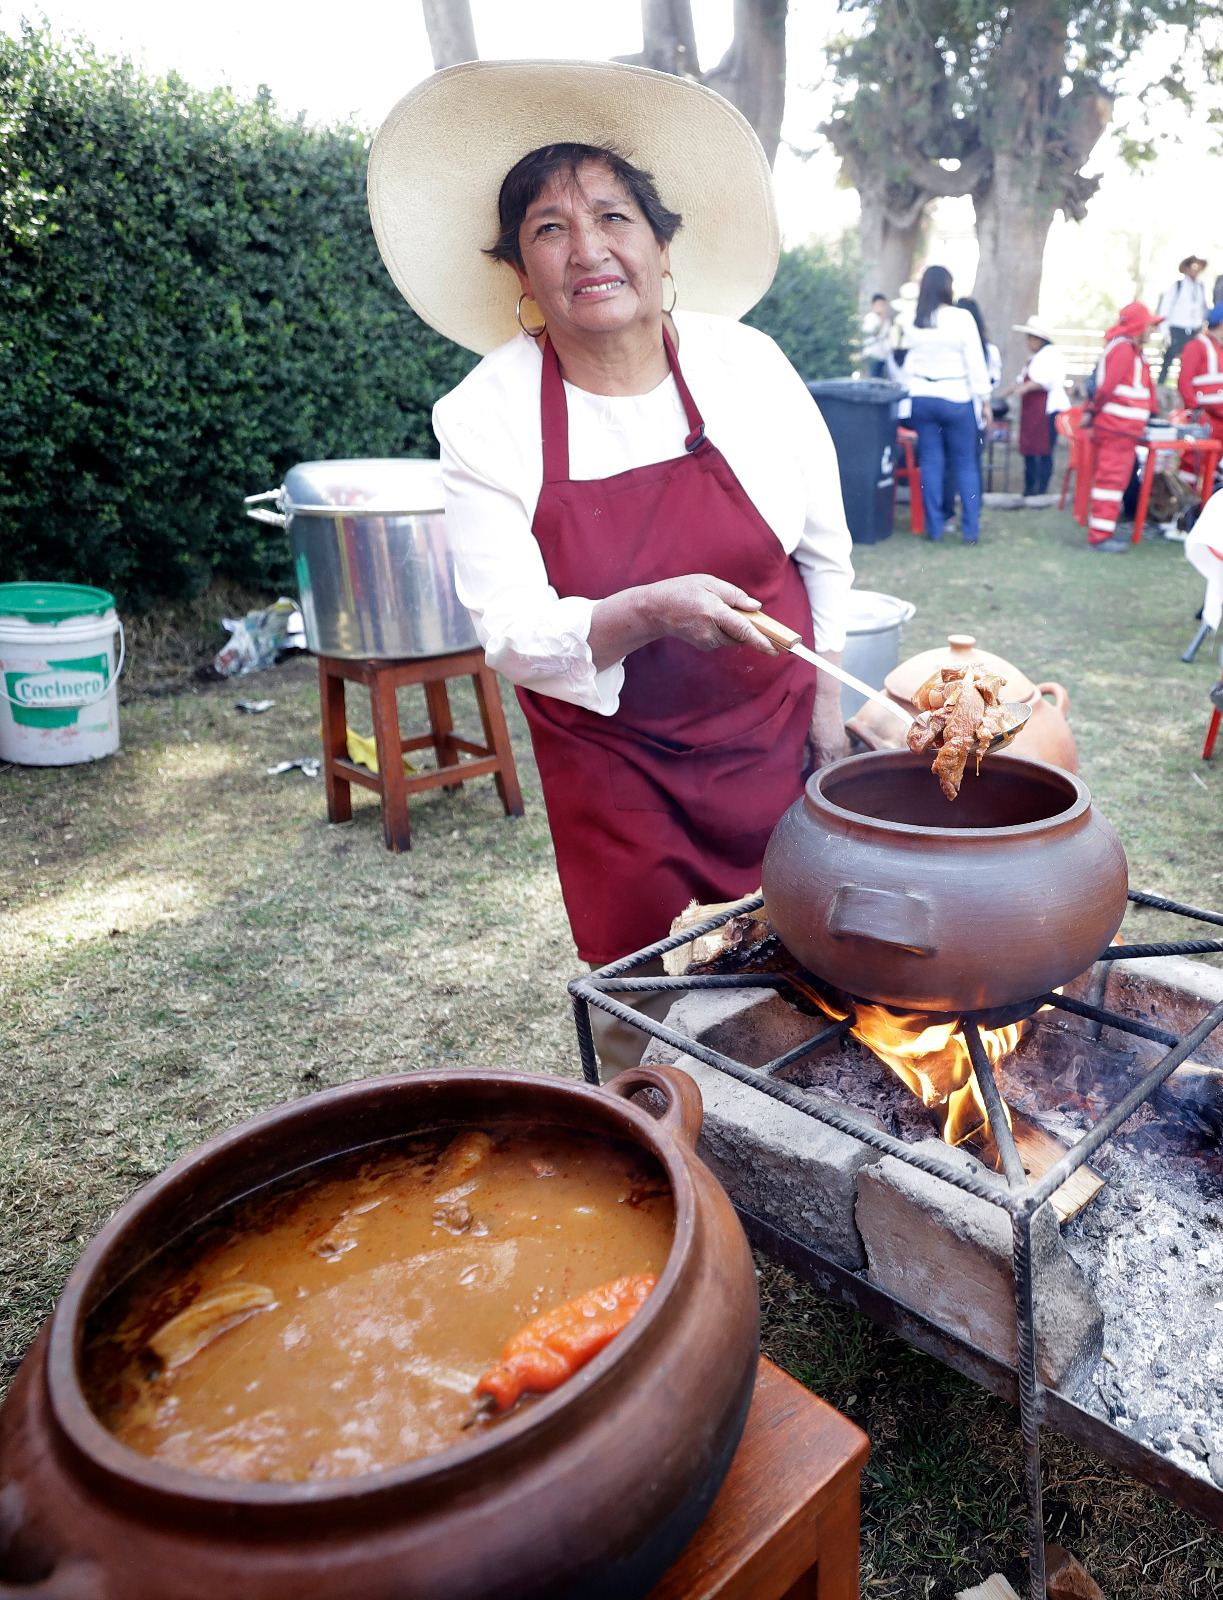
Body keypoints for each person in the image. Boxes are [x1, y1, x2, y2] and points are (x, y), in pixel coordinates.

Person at [367, 61, 854, 1073]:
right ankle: (661, 1158)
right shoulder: (484, 415)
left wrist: (821, 692)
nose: (586, 249)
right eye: (548, 228)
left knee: (805, 961)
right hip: (615, 763)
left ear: (661, 244)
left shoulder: (747, 368)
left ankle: (794, 1139)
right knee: (647, 1002)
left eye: (612, 217)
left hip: (768, 733)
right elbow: (507, 627)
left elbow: (822, 549)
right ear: (518, 274)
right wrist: (640, 608)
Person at [902, 265, 991, 542]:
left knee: (931, 462)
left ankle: (935, 527)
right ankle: (970, 530)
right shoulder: (961, 318)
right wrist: (985, 400)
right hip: (956, 396)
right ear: (947, 287)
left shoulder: (912, 320)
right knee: (965, 464)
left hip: (923, 396)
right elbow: (975, 361)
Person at [1083, 302, 1161, 552]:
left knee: (1114, 482)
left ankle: (1102, 533)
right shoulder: (1124, 348)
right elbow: (1106, 388)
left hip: (1124, 428)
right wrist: (1094, 411)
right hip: (1117, 427)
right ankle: (1099, 537)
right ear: (1139, 325)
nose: (1152, 330)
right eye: (1150, 325)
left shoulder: (1130, 348)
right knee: (1110, 481)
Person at [996, 317, 1070, 497]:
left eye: (1031, 338)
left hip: (1047, 409)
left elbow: (1049, 380)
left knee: (1044, 450)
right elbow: (1022, 380)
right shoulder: (1035, 358)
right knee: (1030, 449)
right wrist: (1004, 393)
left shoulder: (1052, 354)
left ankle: (1041, 489)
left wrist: (1027, 387)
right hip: (1032, 411)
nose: (1028, 342)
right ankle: (1029, 488)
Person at [1157, 256, 1208, 384]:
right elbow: (1165, 308)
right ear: (1187, 268)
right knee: (1168, 360)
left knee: (1191, 362)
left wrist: (1203, 325)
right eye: (1194, 267)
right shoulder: (1178, 285)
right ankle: (1160, 388)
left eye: (1199, 267)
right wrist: (1165, 332)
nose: (1196, 270)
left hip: (1194, 330)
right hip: (1177, 329)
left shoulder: (1200, 287)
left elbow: (1203, 308)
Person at [1178, 302, 1223, 445]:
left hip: (1219, 421)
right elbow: (1184, 381)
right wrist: (1196, 410)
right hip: (1205, 419)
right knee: (1195, 463)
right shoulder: (1196, 346)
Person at [861, 292, 892, 378]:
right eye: (879, 305)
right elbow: (873, 334)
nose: (882, 308)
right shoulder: (870, 317)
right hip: (872, 354)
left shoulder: (886, 319)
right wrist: (882, 322)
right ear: (873, 305)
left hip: (882, 354)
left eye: (883, 305)